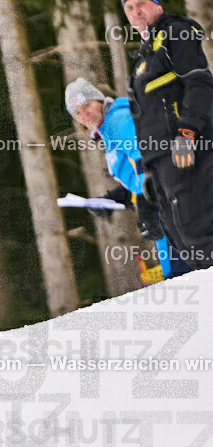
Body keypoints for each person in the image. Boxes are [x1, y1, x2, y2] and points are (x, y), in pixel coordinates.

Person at [64, 77, 189, 279]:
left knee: (181, 273)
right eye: (78, 112)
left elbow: (145, 158)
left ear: (98, 100)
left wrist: (146, 205)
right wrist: (113, 199)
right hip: (161, 199)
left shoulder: (117, 119)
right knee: (179, 272)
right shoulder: (108, 128)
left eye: (87, 105)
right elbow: (134, 174)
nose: (84, 114)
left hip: (168, 201)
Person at [124, 0, 213, 269]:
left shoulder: (175, 32)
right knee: (183, 239)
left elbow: (199, 84)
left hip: (189, 149)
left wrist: (187, 132)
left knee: (200, 232)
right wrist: (149, 170)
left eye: (141, 4)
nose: (135, 12)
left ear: (157, 5)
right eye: (129, 8)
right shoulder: (144, 56)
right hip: (161, 160)